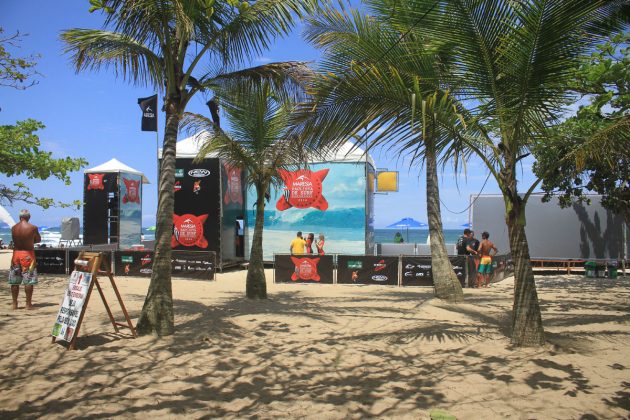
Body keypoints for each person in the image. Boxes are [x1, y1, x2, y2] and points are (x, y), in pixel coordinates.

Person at [9, 209, 41, 310]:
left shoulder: (14, 228)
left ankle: (15, 304)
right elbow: (38, 239)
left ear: (20, 217)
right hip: (28, 255)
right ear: (29, 217)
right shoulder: (33, 227)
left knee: (14, 280)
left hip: (16, 255)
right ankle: (28, 304)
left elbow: (15, 240)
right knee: (29, 280)